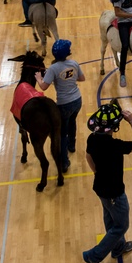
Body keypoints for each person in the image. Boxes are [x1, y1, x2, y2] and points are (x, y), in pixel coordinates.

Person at [82, 102, 132, 263]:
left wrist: (97, 172)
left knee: (110, 219)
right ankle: (93, 256)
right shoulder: (115, 146)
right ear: (115, 126)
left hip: (100, 188)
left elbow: (88, 156)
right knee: (121, 226)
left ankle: (118, 248)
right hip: (114, 193)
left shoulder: (92, 138)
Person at [35, 39, 84, 173]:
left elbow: (44, 87)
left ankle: (64, 162)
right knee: (73, 122)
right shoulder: (74, 63)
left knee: (62, 134)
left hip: (64, 104)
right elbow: (82, 78)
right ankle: (72, 146)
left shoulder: (53, 68)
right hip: (77, 100)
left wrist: (39, 78)